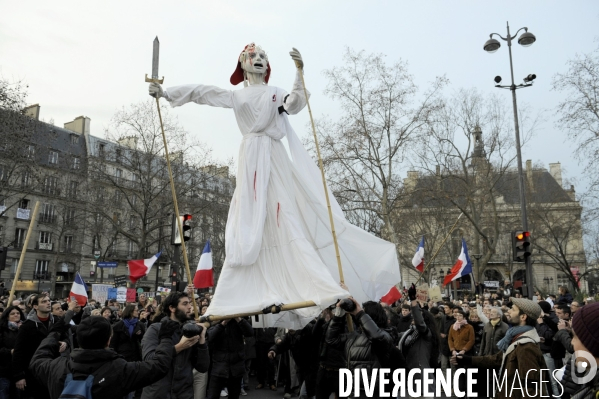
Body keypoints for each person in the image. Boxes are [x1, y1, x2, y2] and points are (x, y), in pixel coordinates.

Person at [148, 43, 399, 327]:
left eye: (264, 57)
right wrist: (167, 93)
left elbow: (294, 104)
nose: (260, 60)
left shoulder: (274, 92)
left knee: (285, 214)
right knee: (247, 218)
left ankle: (315, 281)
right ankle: (237, 290)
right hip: (251, 157)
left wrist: (299, 73)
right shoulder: (236, 95)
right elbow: (202, 93)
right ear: (242, 62)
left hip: (273, 156)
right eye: (254, 56)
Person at [29, 315, 179, 399]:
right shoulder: (120, 369)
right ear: (108, 340)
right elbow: (159, 366)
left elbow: (37, 359)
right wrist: (165, 338)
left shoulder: (56, 366)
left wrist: (53, 335)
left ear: (79, 339)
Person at [452, 297, 548, 399]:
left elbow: (531, 387)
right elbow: (497, 359)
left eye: (513, 309)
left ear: (523, 317)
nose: (509, 311)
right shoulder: (514, 337)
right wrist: (467, 359)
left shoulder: (526, 346)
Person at [141, 291, 209, 399]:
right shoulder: (155, 329)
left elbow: (202, 367)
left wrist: (202, 342)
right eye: (185, 304)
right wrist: (179, 347)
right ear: (172, 308)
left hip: (183, 393)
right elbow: (149, 359)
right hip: (158, 393)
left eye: (190, 304)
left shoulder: (190, 331)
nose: (190, 307)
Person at [12, 294, 68, 399]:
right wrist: (19, 376)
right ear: (35, 306)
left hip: (54, 370)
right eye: (43, 301)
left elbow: (65, 337)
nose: (48, 303)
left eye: (48, 301)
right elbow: (19, 351)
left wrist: (65, 343)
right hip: (33, 372)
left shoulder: (56, 321)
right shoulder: (27, 326)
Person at [206, 316, 254, 399]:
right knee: (213, 395)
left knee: (234, 395)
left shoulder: (239, 321)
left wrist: (238, 318)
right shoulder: (215, 319)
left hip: (236, 366)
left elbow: (250, 332)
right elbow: (210, 336)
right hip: (219, 366)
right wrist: (223, 323)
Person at [0, 306, 25, 399]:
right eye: (13, 313)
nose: (16, 315)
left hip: (21, 371)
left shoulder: (24, 328)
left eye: (18, 313)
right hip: (4, 370)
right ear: (7, 316)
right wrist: (10, 351)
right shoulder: (2, 329)